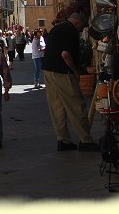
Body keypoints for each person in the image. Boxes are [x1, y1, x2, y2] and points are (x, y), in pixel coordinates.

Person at [42, 12, 99, 152]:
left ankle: (63, 140)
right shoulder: (71, 31)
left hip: (48, 71)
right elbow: (65, 54)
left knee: (57, 106)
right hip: (62, 73)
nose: (81, 31)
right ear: (78, 23)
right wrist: (76, 71)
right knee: (76, 105)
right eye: (82, 28)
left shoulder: (56, 28)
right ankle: (85, 140)